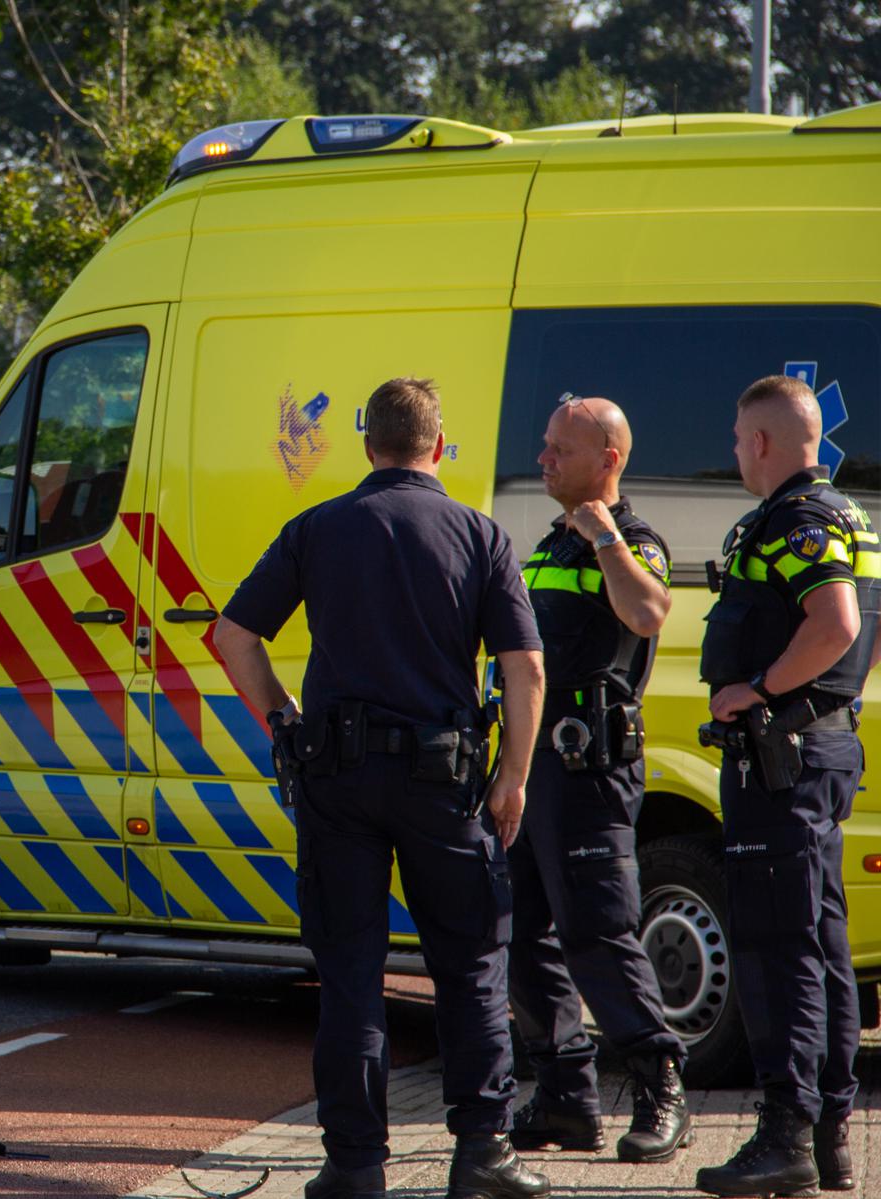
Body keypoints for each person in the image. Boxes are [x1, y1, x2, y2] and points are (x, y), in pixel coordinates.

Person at [214, 377, 550, 1199]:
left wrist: (285, 719)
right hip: (445, 781)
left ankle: (356, 1164)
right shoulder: (481, 535)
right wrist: (512, 780)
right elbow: (526, 667)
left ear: (369, 445)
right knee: (470, 965)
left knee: (352, 973)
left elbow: (232, 634)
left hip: (337, 777)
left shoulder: (319, 527)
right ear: (438, 447)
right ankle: (482, 1157)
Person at [694, 375, 879, 1197]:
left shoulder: (796, 520)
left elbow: (837, 621)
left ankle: (784, 1136)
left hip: (782, 761)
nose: (735, 453)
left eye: (739, 440)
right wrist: (831, 698)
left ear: (763, 441)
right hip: (817, 750)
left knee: (776, 950)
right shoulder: (851, 516)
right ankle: (833, 1133)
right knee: (821, 944)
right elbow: (868, 634)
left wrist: (764, 690)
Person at [506, 395, 691, 1164]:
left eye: (560, 449)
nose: (543, 458)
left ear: (607, 459)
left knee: (599, 933)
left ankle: (660, 1084)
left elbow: (649, 611)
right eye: (546, 446)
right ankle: (565, 1096)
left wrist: (607, 535)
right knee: (520, 933)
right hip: (531, 766)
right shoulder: (549, 543)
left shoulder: (633, 539)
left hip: (591, 772)